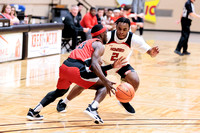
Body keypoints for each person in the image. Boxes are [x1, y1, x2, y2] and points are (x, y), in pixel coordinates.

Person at [56, 17, 159, 115]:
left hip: (121, 65)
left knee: (135, 80)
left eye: (125, 29)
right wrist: (96, 58)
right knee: (83, 83)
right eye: (119, 29)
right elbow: (91, 45)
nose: (121, 32)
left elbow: (149, 52)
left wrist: (152, 53)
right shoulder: (108, 36)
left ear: (129, 29)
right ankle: (64, 102)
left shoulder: (134, 39)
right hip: (104, 64)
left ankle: (124, 100)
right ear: (115, 27)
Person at [26, 24, 126, 124]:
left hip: (65, 67)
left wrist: (111, 66)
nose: (107, 35)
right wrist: (105, 81)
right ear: (102, 34)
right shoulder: (99, 45)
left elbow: (92, 67)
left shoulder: (86, 43)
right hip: (77, 69)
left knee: (59, 92)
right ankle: (93, 108)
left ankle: (34, 111)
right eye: (106, 33)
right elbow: (95, 65)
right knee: (104, 85)